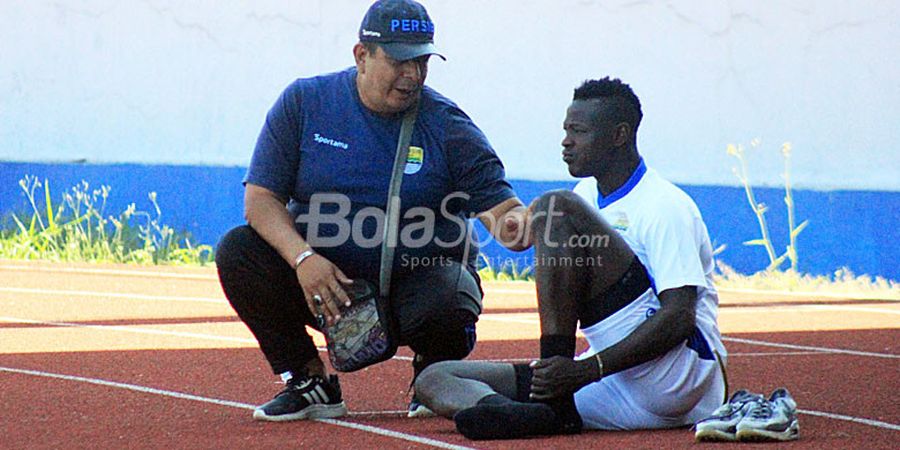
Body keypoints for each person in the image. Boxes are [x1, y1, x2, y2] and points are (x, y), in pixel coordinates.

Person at [215, 0, 529, 422]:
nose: (413, 74)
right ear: (361, 55)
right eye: (400, 60)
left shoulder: (449, 124)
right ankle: (309, 382)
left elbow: (503, 211)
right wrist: (304, 259)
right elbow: (261, 201)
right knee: (239, 251)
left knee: (452, 286)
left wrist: (524, 224)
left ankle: (435, 378)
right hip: (329, 292)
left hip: (414, 291)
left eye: (422, 60)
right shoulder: (304, 103)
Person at [414, 77, 728, 439]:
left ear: (619, 135)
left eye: (577, 131)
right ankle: (530, 413)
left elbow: (680, 318)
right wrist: (577, 372)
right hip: (614, 382)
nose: (566, 141)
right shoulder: (586, 195)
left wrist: (586, 370)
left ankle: (551, 392)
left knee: (555, 206)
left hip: (673, 377)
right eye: (565, 130)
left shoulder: (664, 206)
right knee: (435, 378)